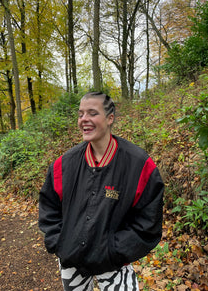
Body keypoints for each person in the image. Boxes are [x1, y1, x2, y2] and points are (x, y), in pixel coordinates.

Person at [38, 92, 164, 291]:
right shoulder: (64, 165)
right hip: (72, 261)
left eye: (92, 113)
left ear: (110, 118)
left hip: (114, 263)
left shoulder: (138, 165)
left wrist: (114, 250)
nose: (84, 119)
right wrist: (61, 243)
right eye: (80, 114)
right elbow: (49, 207)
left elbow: (148, 220)